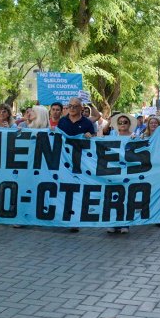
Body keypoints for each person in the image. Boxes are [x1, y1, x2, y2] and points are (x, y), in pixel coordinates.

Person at [58, 97, 96, 233]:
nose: (72, 108)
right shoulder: (62, 121)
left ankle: (75, 220)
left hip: (81, 163)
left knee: (78, 191)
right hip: (64, 163)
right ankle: (66, 218)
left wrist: (90, 135)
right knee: (65, 190)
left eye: (75, 106)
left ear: (81, 108)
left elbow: (95, 138)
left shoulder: (87, 122)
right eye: (70, 106)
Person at [106, 113, 137, 233]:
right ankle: (112, 223)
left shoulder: (134, 136)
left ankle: (125, 224)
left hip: (128, 171)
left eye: (125, 122)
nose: (123, 124)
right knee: (113, 197)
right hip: (113, 170)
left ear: (129, 124)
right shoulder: (112, 134)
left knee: (126, 197)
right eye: (120, 122)